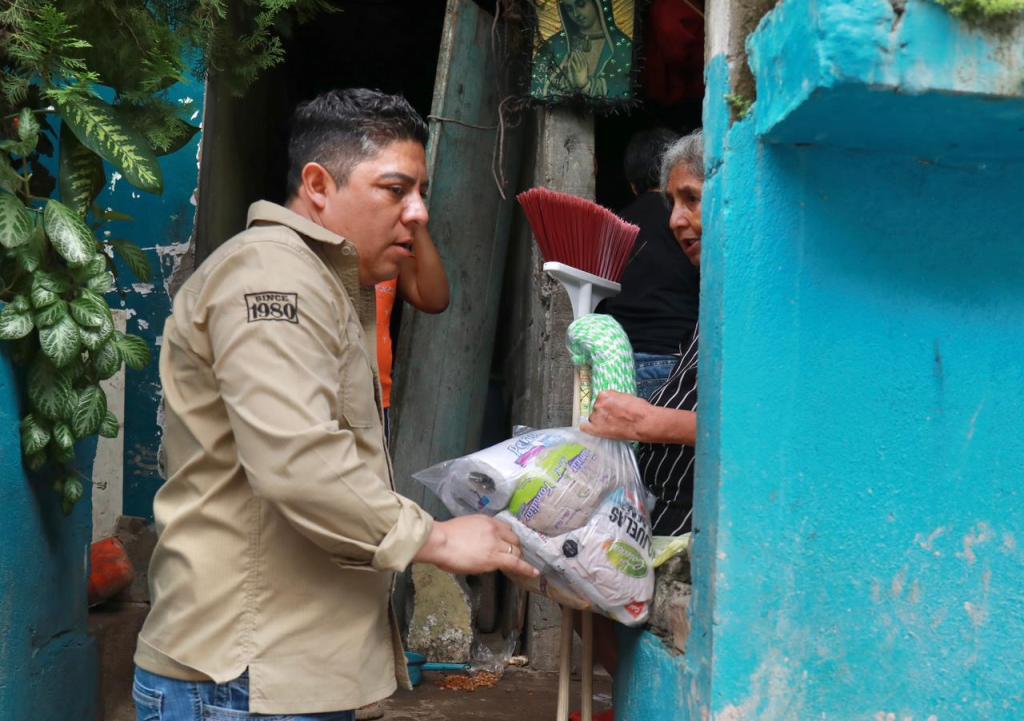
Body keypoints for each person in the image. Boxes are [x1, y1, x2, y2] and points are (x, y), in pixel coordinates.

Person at [132, 88, 537, 721]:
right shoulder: (272, 278)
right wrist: (435, 538)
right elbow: (297, 462)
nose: (420, 212)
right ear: (319, 185)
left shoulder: (320, 279)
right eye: (395, 189)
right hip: (246, 681)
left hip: (281, 673)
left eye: (422, 192)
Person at [571, 130, 704, 721]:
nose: (677, 221)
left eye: (692, 200)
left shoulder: (759, 296)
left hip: (688, 518)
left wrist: (651, 420)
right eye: (673, 201)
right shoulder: (713, 295)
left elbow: (751, 428)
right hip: (659, 496)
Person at [598, 127, 700, 401]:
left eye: (692, 198)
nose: (676, 219)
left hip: (620, 367)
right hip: (676, 362)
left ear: (632, 185)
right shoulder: (687, 225)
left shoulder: (613, 225)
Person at [375, 222, 449, 443]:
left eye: (422, 194)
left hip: (375, 402)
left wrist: (416, 225)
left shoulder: (385, 248)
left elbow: (434, 298)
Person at [530, 0, 633, 100]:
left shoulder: (622, 46)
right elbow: (537, 84)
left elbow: (623, 88)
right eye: (569, 8)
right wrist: (564, 85)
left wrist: (586, 85)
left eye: (581, 4)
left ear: (598, 3)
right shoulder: (555, 45)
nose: (576, 14)